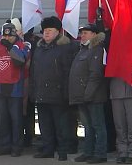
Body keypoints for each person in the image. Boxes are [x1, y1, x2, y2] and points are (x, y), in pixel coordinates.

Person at [30, 16, 74, 161]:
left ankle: (62, 150)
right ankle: (47, 149)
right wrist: (33, 92)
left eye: (50, 30)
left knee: (60, 125)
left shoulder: (63, 49)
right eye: (45, 30)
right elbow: (33, 72)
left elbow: (67, 72)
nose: (46, 33)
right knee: (45, 125)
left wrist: (66, 93)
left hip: (58, 94)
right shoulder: (39, 49)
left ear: (57, 32)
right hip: (41, 93)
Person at [68, 24, 108, 164]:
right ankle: (88, 151)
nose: (82, 35)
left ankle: (100, 153)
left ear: (94, 34)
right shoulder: (83, 50)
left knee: (98, 125)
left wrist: (88, 94)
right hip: (83, 96)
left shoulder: (97, 50)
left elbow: (95, 74)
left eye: (85, 33)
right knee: (87, 126)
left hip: (93, 96)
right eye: (81, 33)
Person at [0, 23, 29, 157]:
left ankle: (17, 146)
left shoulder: (22, 45)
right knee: (2, 119)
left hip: (15, 88)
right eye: (5, 35)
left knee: (16, 119)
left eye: (10, 35)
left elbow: (21, 61)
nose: (7, 38)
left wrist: (10, 47)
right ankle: (4, 145)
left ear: (15, 35)